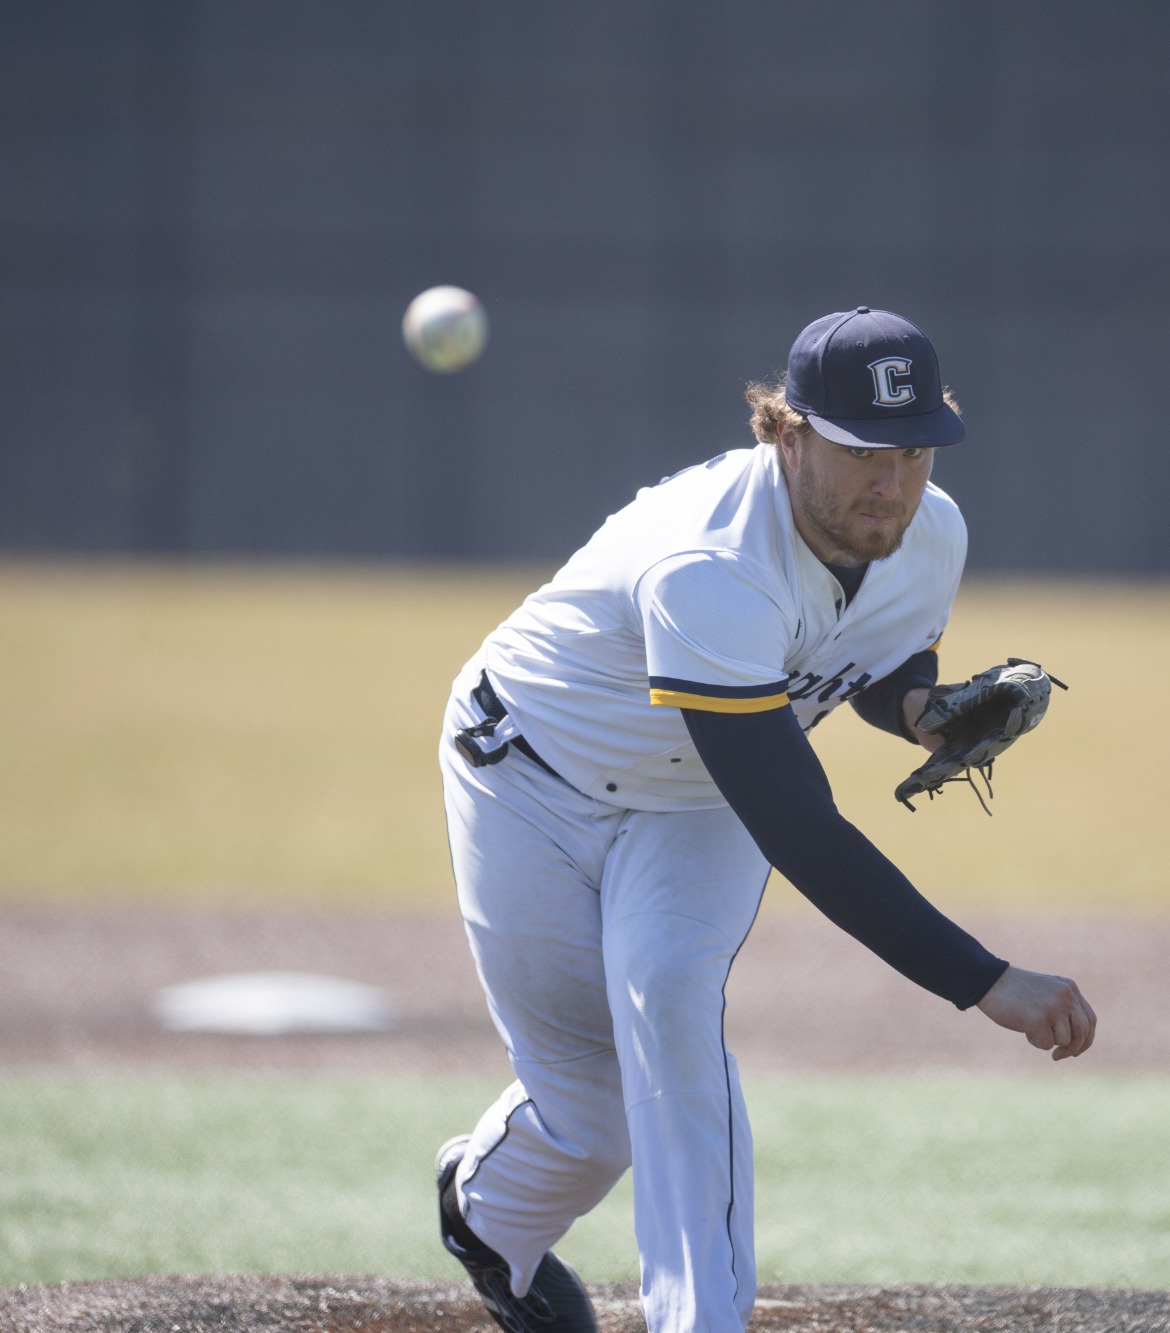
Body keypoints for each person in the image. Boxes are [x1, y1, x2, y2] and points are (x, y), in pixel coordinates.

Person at [434, 307, 1097, 1333]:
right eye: (860, 450)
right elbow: (796, 823)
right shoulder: (709, 562)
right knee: (593, 1116)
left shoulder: (931, 531)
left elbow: (871, 653)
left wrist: (919, 709)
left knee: (669, 1000)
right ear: (786, 433)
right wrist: (982, 979)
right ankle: (483, 1216)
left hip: (697, 798)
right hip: (529, 778)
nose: (890, 480)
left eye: (913, 448)